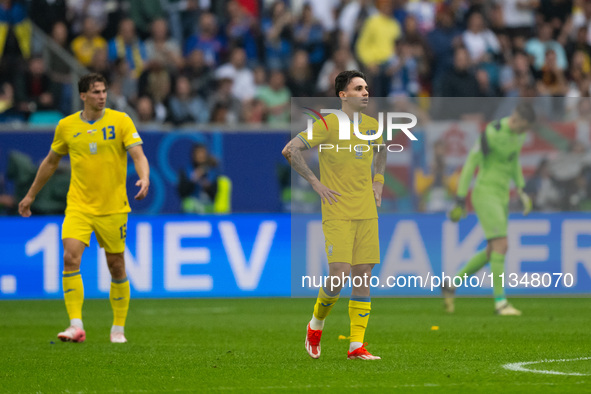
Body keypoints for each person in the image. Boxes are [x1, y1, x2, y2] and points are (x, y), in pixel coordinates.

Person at [18, 73, 150, 343]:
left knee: (116, 267)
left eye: (104, 91)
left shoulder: (121, 120)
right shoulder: (66, 126)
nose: (102, 96)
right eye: (96, 92)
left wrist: (144, 177)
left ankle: (118, 329)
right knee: (70, 258)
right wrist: (30, 195)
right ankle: (76, 325)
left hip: (113, 207)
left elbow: (138, 153)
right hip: (78, 206)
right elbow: (50, 162)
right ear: (83, 96)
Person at [282, 70, 386, 360]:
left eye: (366, 87)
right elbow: (290, 150)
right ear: (343, 95)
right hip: (337, 209)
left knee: (363, 274)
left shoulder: (371, 125)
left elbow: (382, 151)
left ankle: (356, 346)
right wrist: (316, 183)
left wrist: (378, 182)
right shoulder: (327, 125)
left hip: (366, 209)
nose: (365, 92)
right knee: (339, 274)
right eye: (358, 88)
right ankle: (315, 325)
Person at [444, 102, 536, 316]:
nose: (525, 132)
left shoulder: (519, 136)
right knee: (501, 244)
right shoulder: (491, 133)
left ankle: (451, 285)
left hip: (502, 197)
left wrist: (521, 190)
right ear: (518, 119)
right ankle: (500, 303)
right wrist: (460, 198)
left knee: (492, 250)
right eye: (525, 126)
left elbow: (514, 163)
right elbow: (470, 164)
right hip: (485, 193)